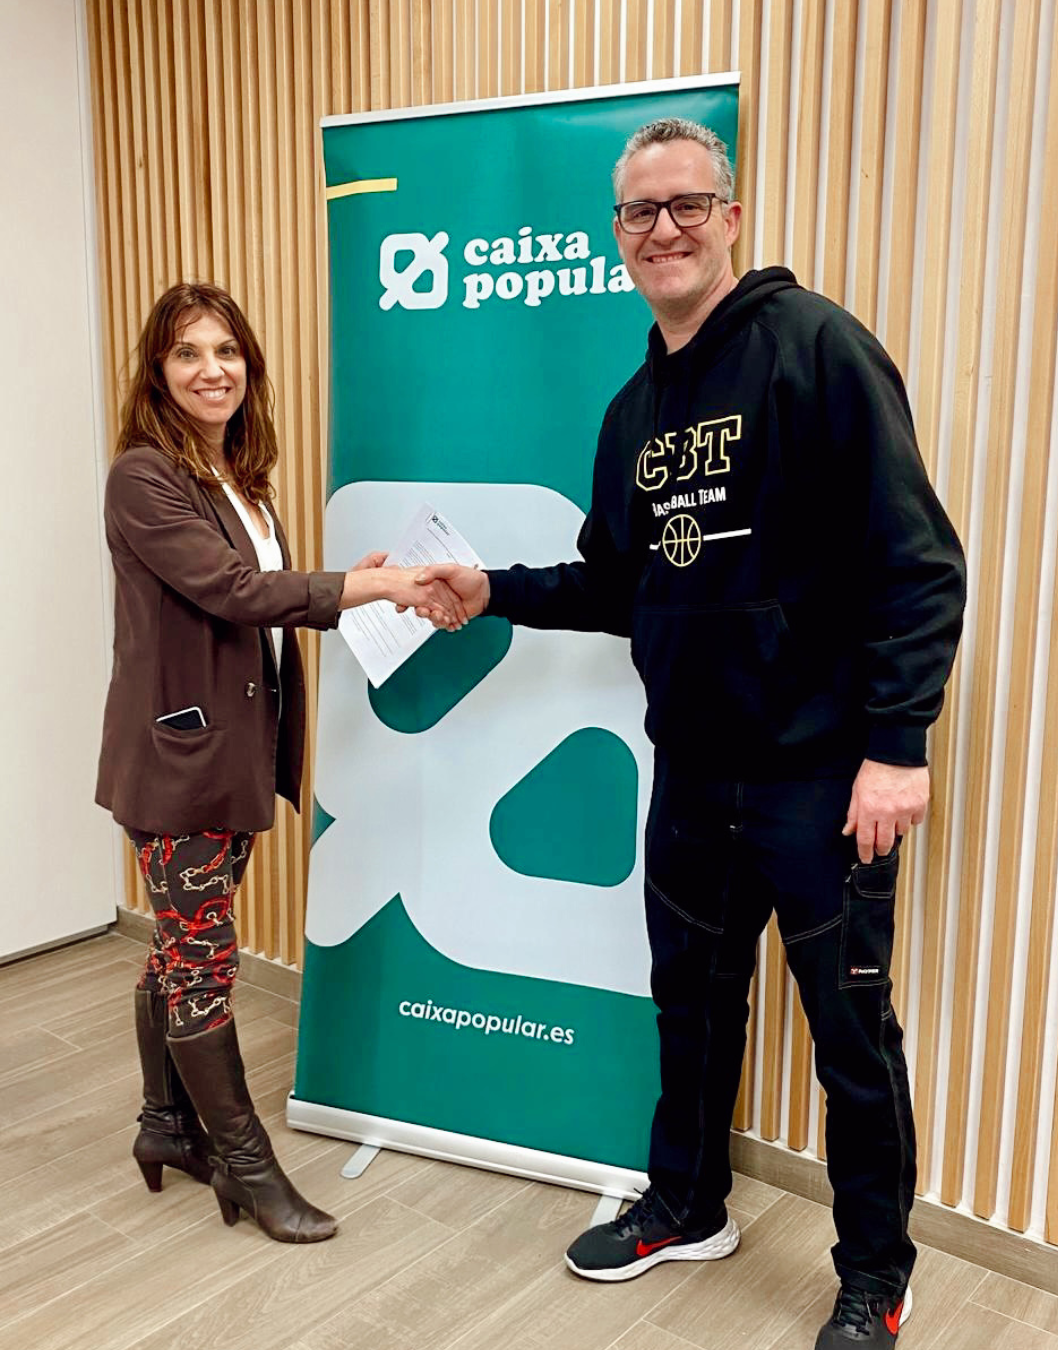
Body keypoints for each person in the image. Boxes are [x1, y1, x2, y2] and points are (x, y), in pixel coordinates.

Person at [415, 120, 966, 1347]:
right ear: (618, 234)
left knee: (852, 1041)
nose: (663, 229)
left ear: (729, 216)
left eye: (686, 205)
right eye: (640, 212)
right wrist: (491, 589)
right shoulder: (632, 412)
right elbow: (619, 585)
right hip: (693, 776)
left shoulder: (815, 347)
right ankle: (688, 1205)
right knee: (692, 1011)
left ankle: (877, 1274)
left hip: (820, 778)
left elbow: (919, 561)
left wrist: (897, 745)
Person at [96, 282, 465, 1244]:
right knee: (202, 961)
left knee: (181, 945)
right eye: (188, 353)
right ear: (158, 372)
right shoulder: (143, 476)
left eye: (226, 351)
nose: (211, 369)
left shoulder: (239, 480)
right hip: (177, 762)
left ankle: (166, 1125)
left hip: (233, 754)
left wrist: (360, 585)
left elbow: (263, 597)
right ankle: (247, 1167)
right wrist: (378, 584)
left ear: (248, 366)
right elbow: (233, 590)